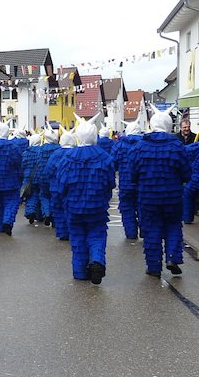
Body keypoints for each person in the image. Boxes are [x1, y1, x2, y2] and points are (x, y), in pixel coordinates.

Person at [131, 105, 191, 277]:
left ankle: (154, 266)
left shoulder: (139, 147)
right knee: (173, 226)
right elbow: (187, 173)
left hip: (148, 197)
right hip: (172, 196)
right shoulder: (178, 146)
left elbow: (133, 174)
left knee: (151, 229)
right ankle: (172, 257)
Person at [57, 117, 115, 284]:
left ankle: (80, 272)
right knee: (96, 235)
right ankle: (96, 260)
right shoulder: (104, 157)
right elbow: (110, 182)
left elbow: (62, 185)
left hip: (74, 206)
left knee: (77, 237)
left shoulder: (68, 158)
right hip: (97, 205)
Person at [111, 119, 143, 239]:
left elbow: (113, 165)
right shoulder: (144, 144)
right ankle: (144, 230)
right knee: (143, 206)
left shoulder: (119, 145)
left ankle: (131, 233)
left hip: (125, 183)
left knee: (127, 208)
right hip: (143, 183)